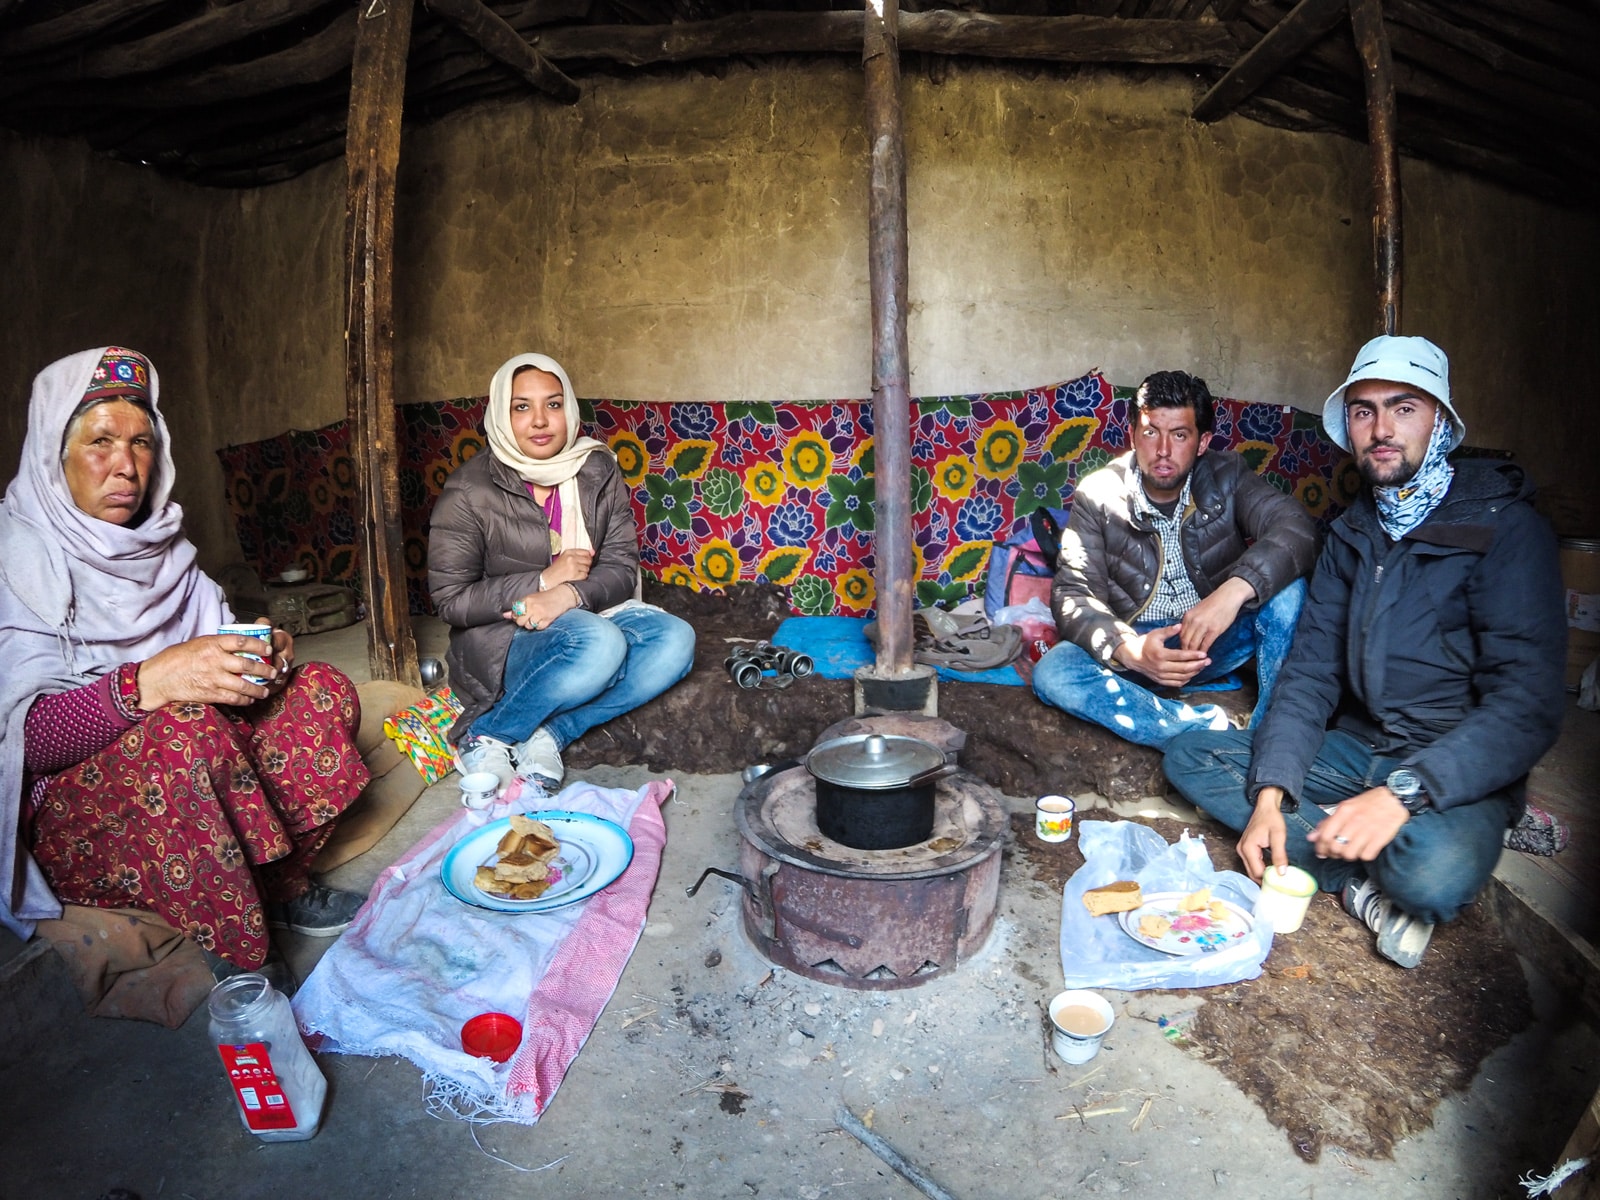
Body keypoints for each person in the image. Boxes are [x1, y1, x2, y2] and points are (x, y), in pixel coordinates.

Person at [1163, 335, 1567, 968]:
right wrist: (1272, 794)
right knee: (1190, 756)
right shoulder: (1353, 532)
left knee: (1433, 877)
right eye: (1363, 410)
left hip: (1448, 763)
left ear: (1441, 423)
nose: (1381, 429)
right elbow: (1309, 675)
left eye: (1404, 408)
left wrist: (1404, 795)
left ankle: (1422, 836)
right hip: (1358, 746)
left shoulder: (1507, 530)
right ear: (1348, 426)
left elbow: (1528, 706)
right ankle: (1357, 884)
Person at [0, 347, 370, 987]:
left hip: (199, 777)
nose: (126, 466)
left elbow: (220, 665)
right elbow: (24, 742)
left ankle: (277, 886)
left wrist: (260, 659)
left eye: (142, 442)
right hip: (80, 819)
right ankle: (241, 953)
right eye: (101, 442)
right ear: (51, 456)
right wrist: (150, 681)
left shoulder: (164, 551)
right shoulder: (17, 561)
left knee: (321, 691)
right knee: (184, 729)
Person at [429, 352, 695, 793]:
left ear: (569, 409)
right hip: (504, 637)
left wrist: (568, 595)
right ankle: (486, 734)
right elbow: (451, 600)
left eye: (553, 404)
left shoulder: (596, 469)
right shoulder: (469, 490)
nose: (539, 420)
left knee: (675, 640)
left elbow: (621, 569)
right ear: (499, 414)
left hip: (585, 615)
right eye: (521, 407)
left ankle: (547, 733)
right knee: (598, 642)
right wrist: (541, 582)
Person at [1032, 370, 1318, 747]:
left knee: (1288, 593)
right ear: (1132, 434)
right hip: (1140, 647)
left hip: (1212, 640)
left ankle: (1265, 741)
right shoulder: (1098, 494)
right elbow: (1072, 593)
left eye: (1180, 435)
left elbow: (1297, 528)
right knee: (1053, 672)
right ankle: (1206, 733)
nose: (1163, 450)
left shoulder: (1227, 476)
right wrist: (1127, 649)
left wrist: (1230, 594)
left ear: (1202, 443)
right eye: (1151, 432)